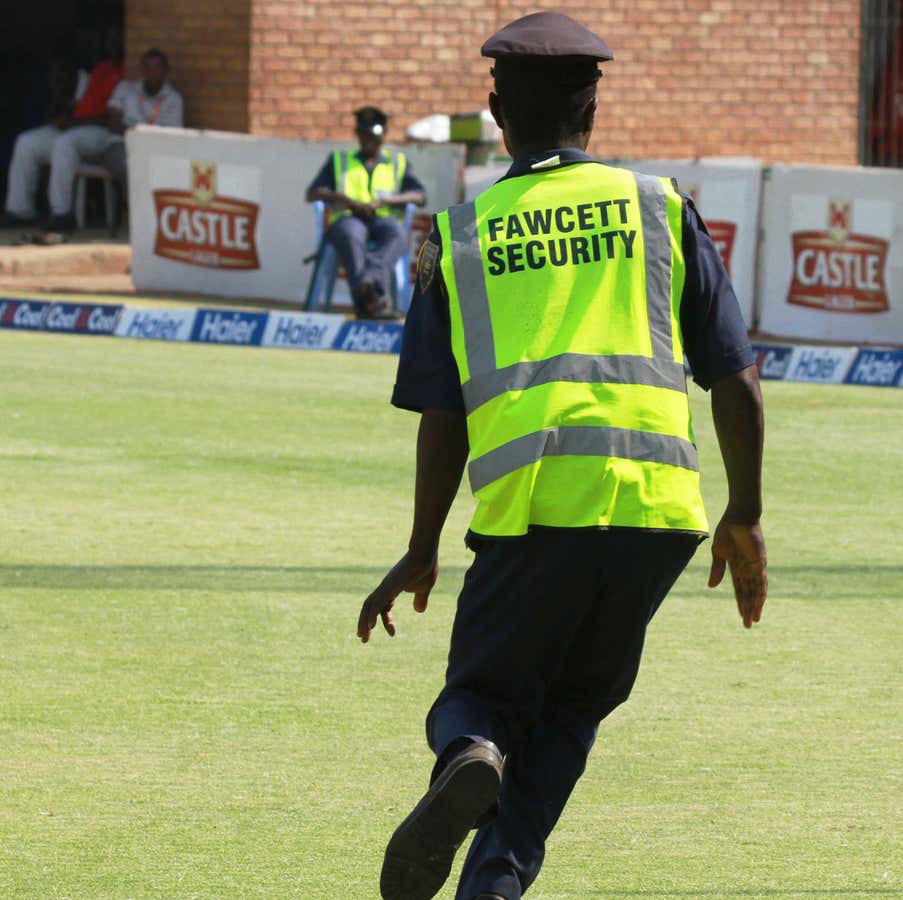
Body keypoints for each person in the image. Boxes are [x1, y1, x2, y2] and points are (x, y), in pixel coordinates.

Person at [355, 11, 767, 900]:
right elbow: (735, 379)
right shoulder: (662, 209)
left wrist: (423, 548)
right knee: (569, 717)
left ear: (497, 110)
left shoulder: (460, 235)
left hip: (536, 511)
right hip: (658, 519)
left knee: (481, 703)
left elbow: (441, 415)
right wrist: (746, 513)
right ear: (594, 105)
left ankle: (466, 753)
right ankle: (491, 886)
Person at [25, 48, 184, 245]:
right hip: (119, 143)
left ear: (166, 70)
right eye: (148, 68)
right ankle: (62, 214)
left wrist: (135, 130)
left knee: (151, 168)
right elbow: (114, 123)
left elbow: (170, 137)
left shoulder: (174, 99)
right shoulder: (126, 88)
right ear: (142, 70)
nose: (152, 73)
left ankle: (150, 221)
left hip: (154, 150)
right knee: (78, 147)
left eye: (157, 68)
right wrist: (140, 132)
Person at [4, 27, 126, 240]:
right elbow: (80, 104)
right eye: (110, 39)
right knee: (27, 142)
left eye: (118, 39)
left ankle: (62, 214)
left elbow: (114, 120)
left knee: (64, 142)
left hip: (102, 134)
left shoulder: (128, 72)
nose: (113, 44)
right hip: (78, 128)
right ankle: (20, 209)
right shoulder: (99, 69)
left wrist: (75, 123)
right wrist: (65, 118)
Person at [305, 106, 426, 319]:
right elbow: (313, 193)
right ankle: (373, 300)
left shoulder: (397, 163)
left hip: (383, 218)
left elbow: (419, 196)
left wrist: (385, 200)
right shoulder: (339, 160)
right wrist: (345, 200)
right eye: (364, 135)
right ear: (357, 135)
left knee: (397, 234)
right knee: (352, 235)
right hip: (347, 219)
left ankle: (366, 291)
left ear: (382, 136)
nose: (368, 140)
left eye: (373, 136)